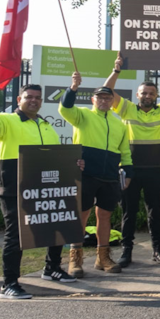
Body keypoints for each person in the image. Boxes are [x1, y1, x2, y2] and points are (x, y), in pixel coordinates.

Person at [0, 84, 76, 298]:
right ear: (19, 98)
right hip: (15, 184)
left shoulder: (45, 124)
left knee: (56, 223)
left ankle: (52, 269)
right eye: (29, 97)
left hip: (45, 186)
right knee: (16, 234)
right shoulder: (7, 120)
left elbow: (55, 156)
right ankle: (8, 284)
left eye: (38, 98)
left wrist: (73, 165)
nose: (34, 101)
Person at [101, 58, 160, 267]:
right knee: (129, 212)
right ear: (137, 95)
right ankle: (127, 252)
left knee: (155, 213)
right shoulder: (127, 108)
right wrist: (116, 70)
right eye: (143, 93)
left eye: (151, 93)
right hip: (130, 170)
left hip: (155, 169)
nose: (147, 96)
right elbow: (106, 90)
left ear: (156, 96)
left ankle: (157, 250)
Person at [59, 71, 132, 276]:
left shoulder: (119, 123)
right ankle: (76, 259)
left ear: (112, 101)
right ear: (93, 99)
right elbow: (65, 108)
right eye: (100, 97)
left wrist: (128, 172)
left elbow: (125, 152)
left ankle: (103, 257)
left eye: (108, 98)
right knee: (82, 215)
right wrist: (73, 88)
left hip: (109, 175)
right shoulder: (82, 115)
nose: (104, 100)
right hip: (86, 174)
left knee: (105, 216)